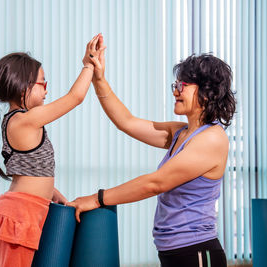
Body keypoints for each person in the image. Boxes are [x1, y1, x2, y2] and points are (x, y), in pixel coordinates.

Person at [67, 35, 236, 267]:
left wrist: (97, 199)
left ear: (207, 92)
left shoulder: (212, 139)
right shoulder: (181, 133)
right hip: (174, 253)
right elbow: (126, 121)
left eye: (183, 86)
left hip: (197, 252)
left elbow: (155, 183)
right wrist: (99, 78)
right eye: (176, 85)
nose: (176, 91)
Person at [0, 34, 105, 267]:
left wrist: (53, 193)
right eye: (43, 83)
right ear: (23, 87)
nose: (47, 90)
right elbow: (75, 97)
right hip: (20, 215)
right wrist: (88, 65)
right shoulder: (24, 120)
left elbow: (31, 171)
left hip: (27, 212)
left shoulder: (24, 122)